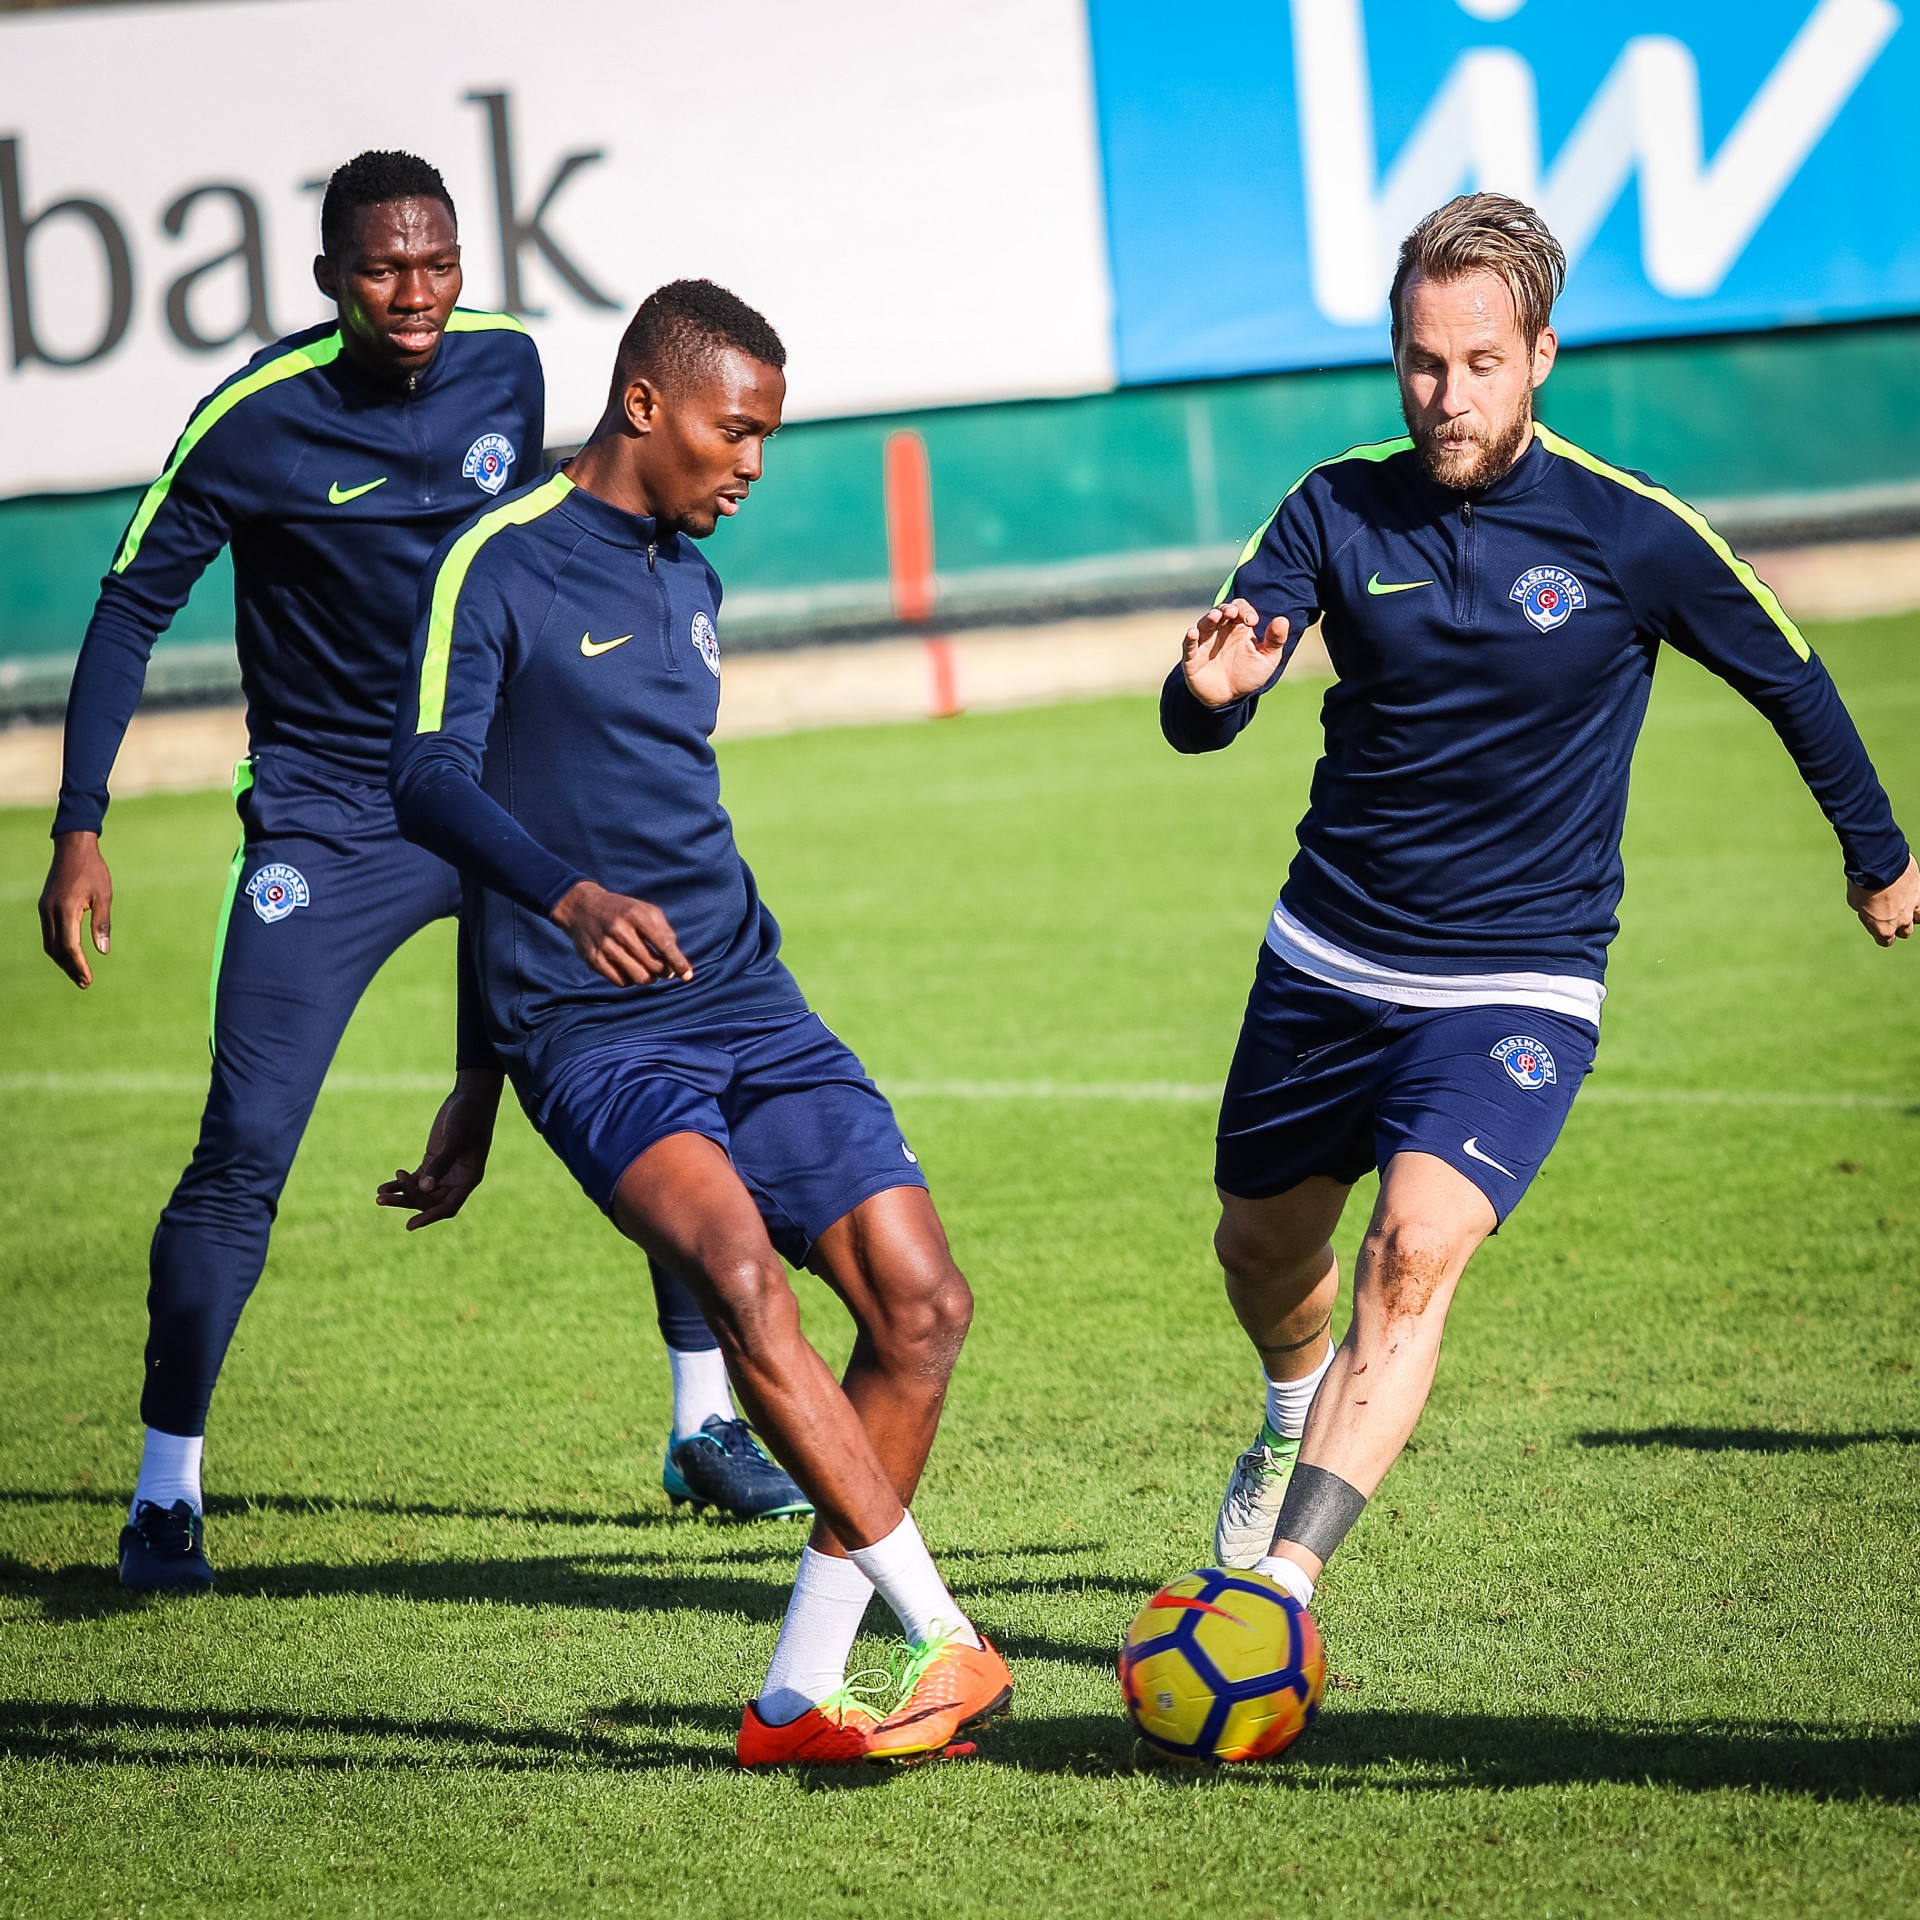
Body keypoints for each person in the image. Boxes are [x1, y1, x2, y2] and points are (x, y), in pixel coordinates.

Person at [36, 150, 797, 1595]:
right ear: (328, 277)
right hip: (332, 822)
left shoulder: (509, 369)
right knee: (244, 1143)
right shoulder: (252, 421)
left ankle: (702, 1422)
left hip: (510, 806)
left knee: (666, 1060)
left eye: (438, 262)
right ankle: (165, 1493)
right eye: (384, 268)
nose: (416, 292)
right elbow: (131, 606)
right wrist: (82, 824)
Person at [1165, 193, 1916, 1605]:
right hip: (1325, 963)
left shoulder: (1630, 531)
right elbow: (1217, 689)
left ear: (1542, 356)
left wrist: (1875, 853)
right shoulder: (1334, 503)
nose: (1447, 397)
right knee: (1261, 1252)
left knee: (1413, 1253)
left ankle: (1278, 1592)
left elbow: (1792, 676)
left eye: (1480, 363)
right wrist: (1207, 696)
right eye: (1421, 363)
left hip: (1518, 980)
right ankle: (1287, 1410)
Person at [380, 278, 1013, 1767]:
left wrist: (477, 1062)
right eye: (737, 431)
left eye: (769, 436)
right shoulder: (500, 561)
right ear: (645, 405)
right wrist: (531, 976)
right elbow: (429, 780)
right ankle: (943, 1636)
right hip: (589, 1029)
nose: (754, 464)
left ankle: (793, 1701)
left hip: (748, 996)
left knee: (923, 1306)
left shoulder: (693, 582)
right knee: (738, 1275)